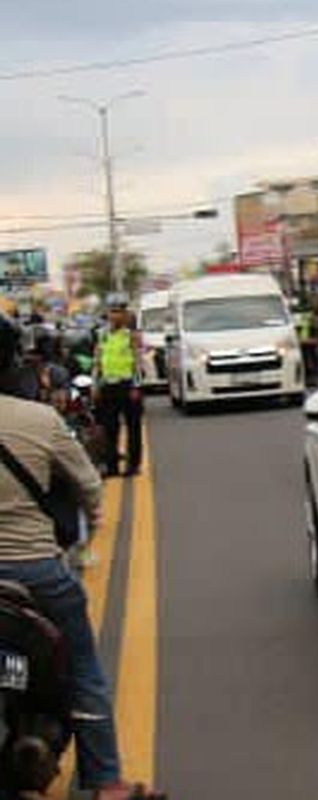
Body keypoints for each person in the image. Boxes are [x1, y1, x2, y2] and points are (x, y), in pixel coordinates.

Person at [0, 313, 158, 799]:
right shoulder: (39, 419)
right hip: (37, 575)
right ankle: (106, 781)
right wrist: (86, 525)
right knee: (83, 672)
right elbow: (90, 487)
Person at [93, 297, 143, 478]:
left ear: (125, 314)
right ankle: (111, 465)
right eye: (112, 311)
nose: (115, 315)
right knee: (109, 427)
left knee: (133, 427)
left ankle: (133, 464)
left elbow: (138, 362)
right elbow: (97, 362)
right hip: (108, 386)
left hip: (128, 385)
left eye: (119, 311)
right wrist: (95, 385)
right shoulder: (102, 334)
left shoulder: (132, 335)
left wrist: (136, 386)